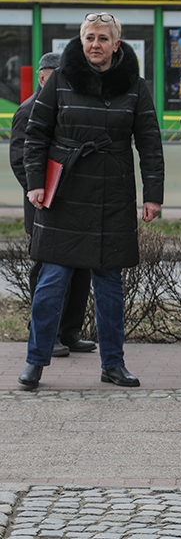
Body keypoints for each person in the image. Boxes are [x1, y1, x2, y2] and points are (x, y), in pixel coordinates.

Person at [18, 12, 165, 388]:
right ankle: (36, 361)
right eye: (89, 38)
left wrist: (153, 197)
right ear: (81, 41)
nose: (95, 44)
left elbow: (149, 142)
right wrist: (36, 183)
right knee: (52, 282)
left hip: (112, 196)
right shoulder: (62, 79)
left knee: (110, 287)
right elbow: (36, 133)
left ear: (116, 44)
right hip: (65, 195)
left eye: (102, 38)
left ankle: (113, 364)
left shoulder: (135, 85)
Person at [9, 51, 95, 359]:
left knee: (81, 269)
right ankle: (48, 334)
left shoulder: (71, 108)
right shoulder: (29, 110)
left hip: (76, 206)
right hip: (45, 206)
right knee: (48, 273)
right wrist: (43, 192)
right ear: (44, 77)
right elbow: (20, 160)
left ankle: (71, 332)